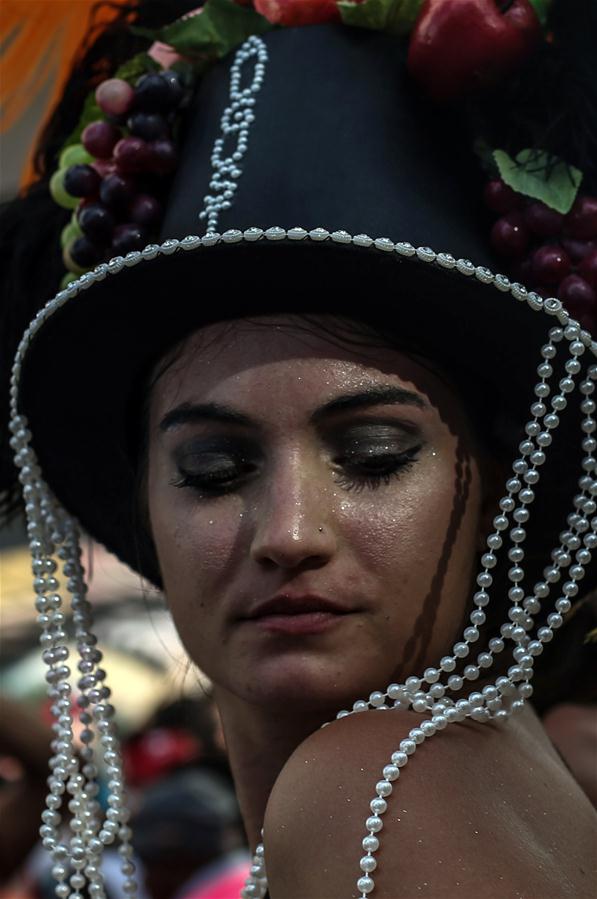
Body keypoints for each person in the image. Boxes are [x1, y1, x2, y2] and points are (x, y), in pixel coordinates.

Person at [1, 2, 596, 898]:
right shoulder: (482, 785)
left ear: (491, 483)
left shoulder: (375, 786)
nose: (288, 531)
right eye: (214, 469)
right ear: (143, 499)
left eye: (373, 453)